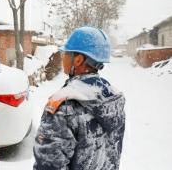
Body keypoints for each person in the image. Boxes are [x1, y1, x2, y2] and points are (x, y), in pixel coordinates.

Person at [33, 26, 126, 170]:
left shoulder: (64, 107)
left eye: (66, 53)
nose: (63, 56)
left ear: (78, 60)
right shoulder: (113, 98)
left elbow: (48, 165)